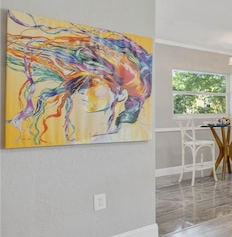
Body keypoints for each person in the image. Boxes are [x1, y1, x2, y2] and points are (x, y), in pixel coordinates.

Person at [5, 10, 152, 146]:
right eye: (82, 86)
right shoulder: (121, 136)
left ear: (121, 94)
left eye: (92, 84)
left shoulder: (128, 136)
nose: (81, 92)